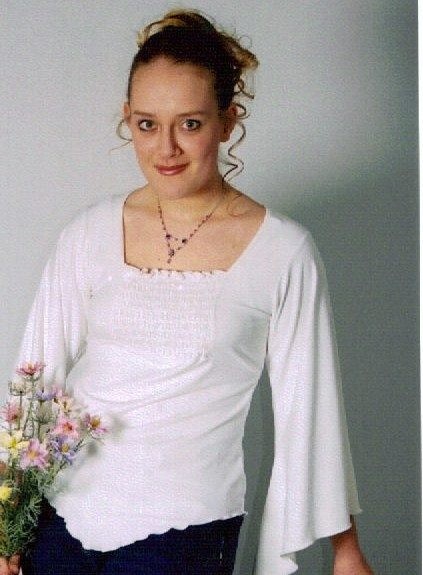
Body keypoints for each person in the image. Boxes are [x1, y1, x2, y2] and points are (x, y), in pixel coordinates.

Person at [3, 9, 373, 575]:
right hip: (59, 524)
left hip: (184, 533)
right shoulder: (87, 234)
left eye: (190, 124)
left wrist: (345, 551)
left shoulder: (282, 251)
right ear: (127, 119)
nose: (166, 148)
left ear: (227, 121)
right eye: (147, 124)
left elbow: (310, 406)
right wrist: (6, 525)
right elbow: (34, 386)